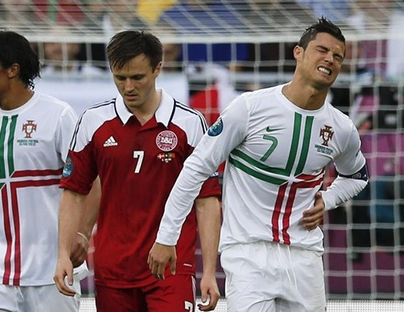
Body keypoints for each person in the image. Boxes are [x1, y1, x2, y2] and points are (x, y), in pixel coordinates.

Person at [148, 18, 369, 311]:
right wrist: (167, 236)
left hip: (305, 257)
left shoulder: (341, 128)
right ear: (298, 53)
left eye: (337, 56)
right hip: (248, 253)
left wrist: (328, 200)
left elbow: (357, 175)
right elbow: (196, 169)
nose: (330, 59)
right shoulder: (250, 108)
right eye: (322, 50)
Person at [54, 30, 222, 312]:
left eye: (137, 77)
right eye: (120, 78)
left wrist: (209, 272)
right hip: (113, 270)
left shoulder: (190, 124)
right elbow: (74, 192)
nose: (128, 87)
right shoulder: (93, 122)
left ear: (158, 68)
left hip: (171, 268)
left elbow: (206, 201)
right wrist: (62, 254)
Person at [0, 30, 87, 312]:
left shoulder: (58, 115)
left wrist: (84, 234)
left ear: (12, 70)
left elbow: (92, 181)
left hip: (50, 268)